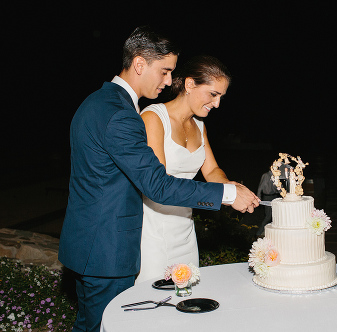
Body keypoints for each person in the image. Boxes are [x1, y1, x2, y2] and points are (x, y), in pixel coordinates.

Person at [59, 26, 260, 332]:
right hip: (108, 250)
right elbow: (157, 186)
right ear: (139, 64)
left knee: (93, 326)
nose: (169, 81)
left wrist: (226, 186)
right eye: (164, 71)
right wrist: (228, 194)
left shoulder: (97, 102)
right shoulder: (122, 114)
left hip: (92, 243)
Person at [134, 55, 238, 282]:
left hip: (185, 232)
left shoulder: (200, 126)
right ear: (190, 84)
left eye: (221, 97)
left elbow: (211, 171)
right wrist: (226, 194)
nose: (217, 104)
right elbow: (160, 182)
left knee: (187, 299)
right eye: (213, 94)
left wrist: (233, 189)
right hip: (153, 233)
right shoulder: (153, 117)